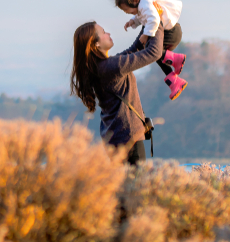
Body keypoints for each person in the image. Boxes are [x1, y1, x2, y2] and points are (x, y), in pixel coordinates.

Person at [70, 21, 163, 165]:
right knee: (137, 185)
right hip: (129, 139)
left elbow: (135, 49)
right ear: (96, 45)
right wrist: (159, 22)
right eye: (103, 32)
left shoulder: (101, 67)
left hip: (115, 138)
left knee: (125, 185)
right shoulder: (112, 67)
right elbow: (154, 53)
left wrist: (148, 21)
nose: (109, 34)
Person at [114, 0, 188, 100]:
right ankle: (175, 81)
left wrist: (145, 34)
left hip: (171, 32)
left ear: (134, 0)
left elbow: (154, 19)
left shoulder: (146, 5)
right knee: (154, 54)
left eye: (126, 9)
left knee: (151, 50)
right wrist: (133, 21)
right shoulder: (142, 6)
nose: (126, 12)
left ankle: (176, 60)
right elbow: (142, 16)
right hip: (169, 32)